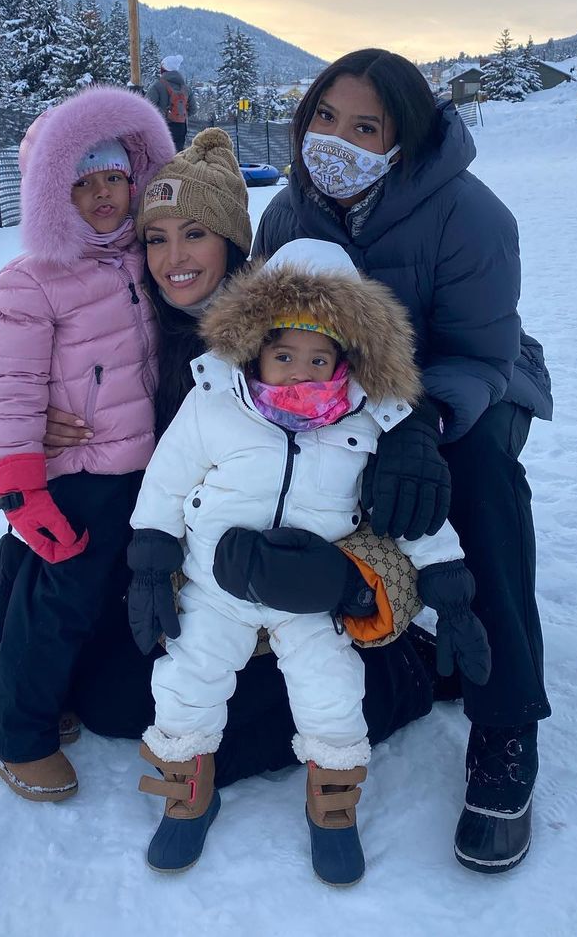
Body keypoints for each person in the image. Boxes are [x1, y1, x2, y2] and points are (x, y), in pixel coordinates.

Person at [0, 129, 447, 797]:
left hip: (286, 571)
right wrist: (29, 437)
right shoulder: (130, 316)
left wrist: (414, 431)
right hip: (167, 568)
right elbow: (25, 404)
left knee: (246, 711)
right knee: (109, 698)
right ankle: (14, 661)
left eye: (196, 234)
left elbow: (373, 373)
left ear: (232, 241)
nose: (173, 259)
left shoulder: (277, 322)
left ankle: (394, 676)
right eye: (155, 239)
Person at [254, 48, 554, 875]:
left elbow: (485, 354)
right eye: (323, 117)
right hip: (342, 398)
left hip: (467, 393)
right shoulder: (289, 217)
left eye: (363, 127)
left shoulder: (470, 216)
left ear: (402, 141)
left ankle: (506, 724)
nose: (334, 140)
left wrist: (420, 420)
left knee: (482, 482)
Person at [127, 238, 490, 883]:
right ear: (255, 347)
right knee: (185, 683)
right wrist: (152, 557)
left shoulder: (366, 424)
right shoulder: (214, 400)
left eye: (318, 358)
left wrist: (449, 585)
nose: (299, 371)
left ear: (346, 360)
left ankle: (333, 807)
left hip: (315, 595)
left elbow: (413, 520)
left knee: (332, 695)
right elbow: (167, 478)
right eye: (283, 354)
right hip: (217, 586)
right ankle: (188, 792)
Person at [0, 85, 174, 801]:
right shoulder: (33, 280)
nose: (102, 197)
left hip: (136, 465)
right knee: (62, 599)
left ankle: (26, 685)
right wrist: (20, 480)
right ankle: (12, 732)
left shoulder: (142, 257)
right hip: (79, 469)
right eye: (80, 184)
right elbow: (16, 387)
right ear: (50, 195)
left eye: (114, 178)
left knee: (86, 599)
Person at [146, 53, 196, 150]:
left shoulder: (157, 86)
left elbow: (147, 107)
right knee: (178, 156)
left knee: (163, 157)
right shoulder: (186, 88)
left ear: (163, 69)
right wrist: (180, 114)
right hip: (181, 127)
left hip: (163, 127)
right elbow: (193, 109)